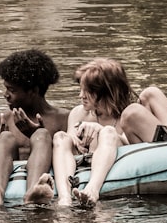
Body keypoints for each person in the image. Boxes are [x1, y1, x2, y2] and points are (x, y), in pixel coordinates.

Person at [0, 49, 70, 205]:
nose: (5, 95)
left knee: (42, 135)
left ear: (33, 91)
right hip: (7, 175)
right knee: (5, 137)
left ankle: (33, 192)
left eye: (12, 90)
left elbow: (70, 155)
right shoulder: (4, 119)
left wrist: (37, 133)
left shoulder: (62, 119)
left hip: (42, 175)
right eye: (6, 88)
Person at [51, 58, 137, 208]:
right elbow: (71, 145)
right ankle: (64, 197)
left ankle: (92, 189)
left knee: (108, 132)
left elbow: (134, 146)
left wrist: (99, 130)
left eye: (87, 91)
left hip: (114, 157)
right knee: (60, 136)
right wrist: (75, 139)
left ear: (106, 91)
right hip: (83, 161)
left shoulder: (129, 114)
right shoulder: (78, 113)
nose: (81, 96)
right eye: (81, 89)